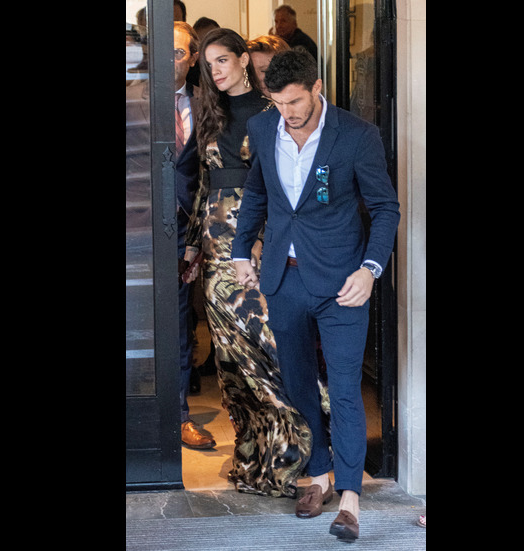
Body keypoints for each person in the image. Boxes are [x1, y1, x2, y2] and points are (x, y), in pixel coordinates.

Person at [232, 49, 400, 542]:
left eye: (296, 101)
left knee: (345, 387)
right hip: (284, 279)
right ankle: (320, 473)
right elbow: (257, 192)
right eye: (278, 103)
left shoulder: (357, 135)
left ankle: (349, 500)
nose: (287, 112)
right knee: (299, 382)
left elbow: (385, 207)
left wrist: (370, 270)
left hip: (343, 282)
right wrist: (242, 251)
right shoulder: (264, 127)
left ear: (317, 87)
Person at [178, 28, 313, 498]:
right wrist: (192, 246)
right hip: (217, 249)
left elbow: (287, 184)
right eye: (208, 63)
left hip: (260, 242)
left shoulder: (272, 111)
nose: (215, 70)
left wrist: (267, 240)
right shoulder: (209, 112)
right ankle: (255, 455)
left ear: (242, 60)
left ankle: (298, 454)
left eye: (222, 60)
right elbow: (202, 184)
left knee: (271, 350)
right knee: (232, 361)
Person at [171, 22, 215, 451]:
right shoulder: (131, 99)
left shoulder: (207, 104)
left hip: (186, 227)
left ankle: (180, 416)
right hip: (138, 227)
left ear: (193, 58)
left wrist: (199, 235)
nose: (170, 61)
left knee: (181, 323)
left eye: (179, 54)